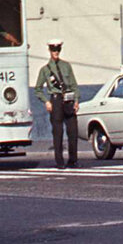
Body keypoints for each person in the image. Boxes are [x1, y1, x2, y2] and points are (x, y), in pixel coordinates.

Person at [33, 40, 78, 168]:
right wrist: (46, 101)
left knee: (73, 131)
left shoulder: (66, 66)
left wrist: (76, 100)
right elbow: (38, 89)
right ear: (50, 51)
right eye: (53, 50)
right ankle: (60, 162)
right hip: (56, 100)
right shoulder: (45, 70)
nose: (56, 52)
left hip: (68, 100)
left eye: (58, 50)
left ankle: (73, 160)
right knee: (57, 132)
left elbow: (74, 84)